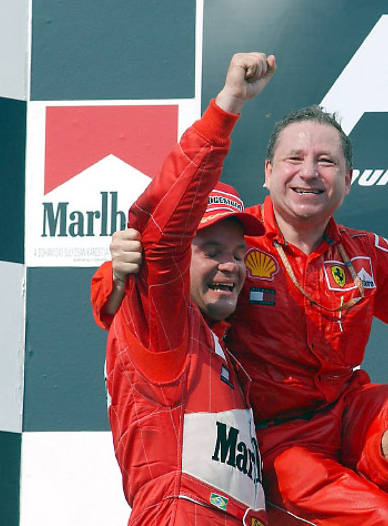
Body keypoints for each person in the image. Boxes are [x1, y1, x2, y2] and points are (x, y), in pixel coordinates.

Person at [93, 54, 388, 524]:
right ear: (266, 172)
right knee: (383, 521)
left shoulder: (362, 253)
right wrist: (112, 276)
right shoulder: (233, 242)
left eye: (326, 161)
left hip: (350, 413)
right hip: (279, 440)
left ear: (348, 180)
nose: (309, 172)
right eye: (294, 159)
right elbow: (156, 271)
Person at [104, 52, 275, 525]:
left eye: (240, 255)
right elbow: (163, 228)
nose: (231, 265)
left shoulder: (223, 349)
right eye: (213, 249)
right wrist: (228, 106)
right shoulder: (164, 323)